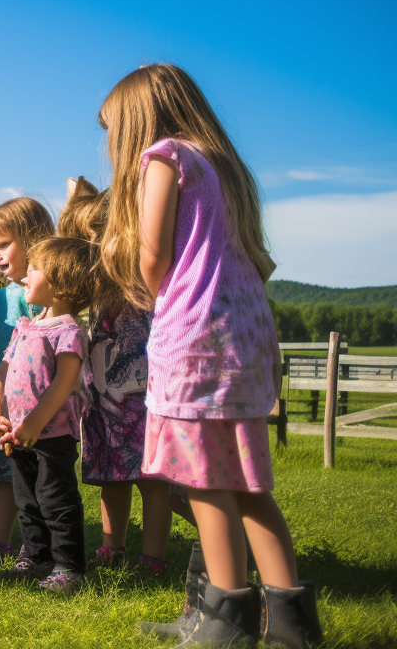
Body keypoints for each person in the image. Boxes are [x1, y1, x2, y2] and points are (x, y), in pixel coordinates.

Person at [98, 64, 322, 647]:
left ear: (136, 120)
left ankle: (225, 622)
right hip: (245, 334)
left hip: (194, 334)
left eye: (111, 130)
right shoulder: (225, 165)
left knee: (205, 483)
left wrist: (151, 293)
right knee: (248, 484)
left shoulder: (164, 156)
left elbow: (153, 256)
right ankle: (292, 627)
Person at [62, 177, 176, 577]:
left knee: (151, 478)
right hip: (104, 394)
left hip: (144, 395)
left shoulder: (143, 279)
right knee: (111, 474)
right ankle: (113, 549)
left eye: (89, 240)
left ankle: (154, 558)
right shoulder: (97, 286)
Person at [0, 237, 94, 593]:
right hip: (18, 434)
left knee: (55, 501)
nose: (26, 274)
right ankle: (35, 557)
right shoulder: (25, 326)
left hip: (52, 436)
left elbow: (64, 382)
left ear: (61, 281)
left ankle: (68, 566)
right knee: (27, 500)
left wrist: (33, 422)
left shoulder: (69, 330)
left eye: (34, 268)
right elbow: (3, 368)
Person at [0, 197, 54, 557]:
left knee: (32, 471)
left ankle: (35, 543)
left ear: (33, 238)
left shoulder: (39, 292)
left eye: (4, 244)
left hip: (29, 396)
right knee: (4, 469)